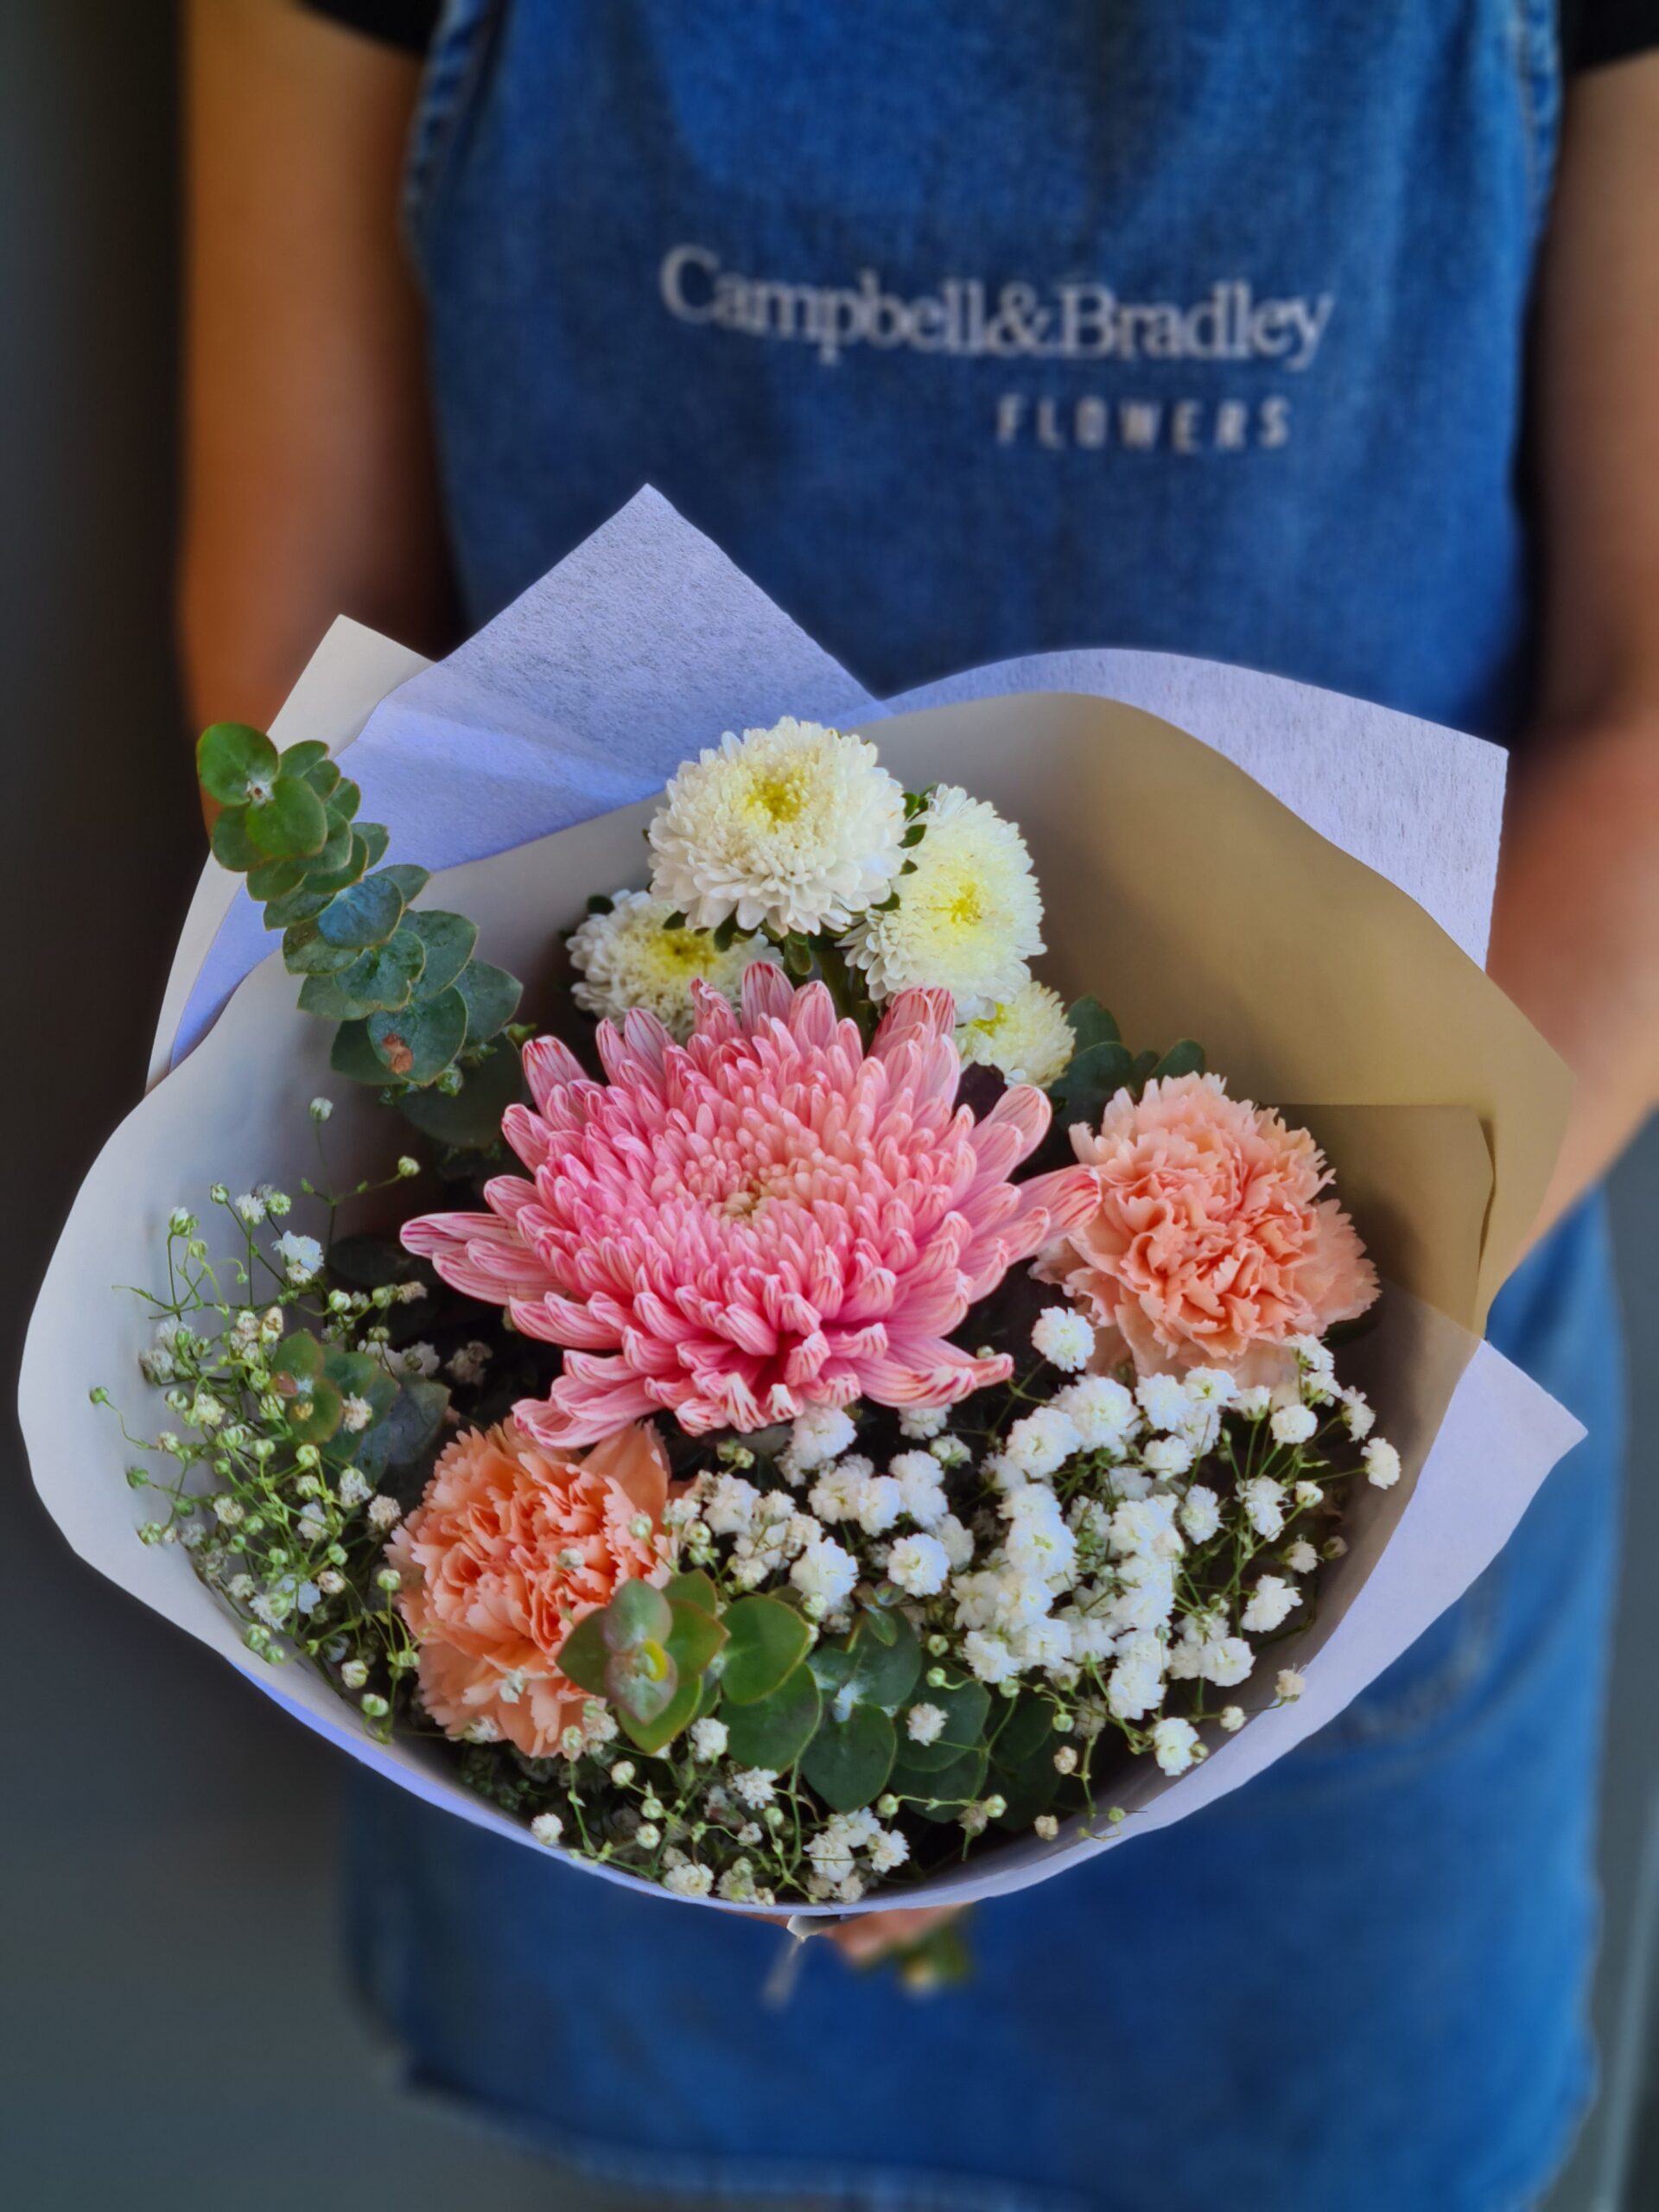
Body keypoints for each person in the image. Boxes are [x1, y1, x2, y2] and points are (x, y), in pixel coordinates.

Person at [181, 5, 1659, 2207]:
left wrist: (1182, 1458)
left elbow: (1647, 723)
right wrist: (720, 1571)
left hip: (1336, 1468)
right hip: (619, 1527)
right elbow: (303, 648)